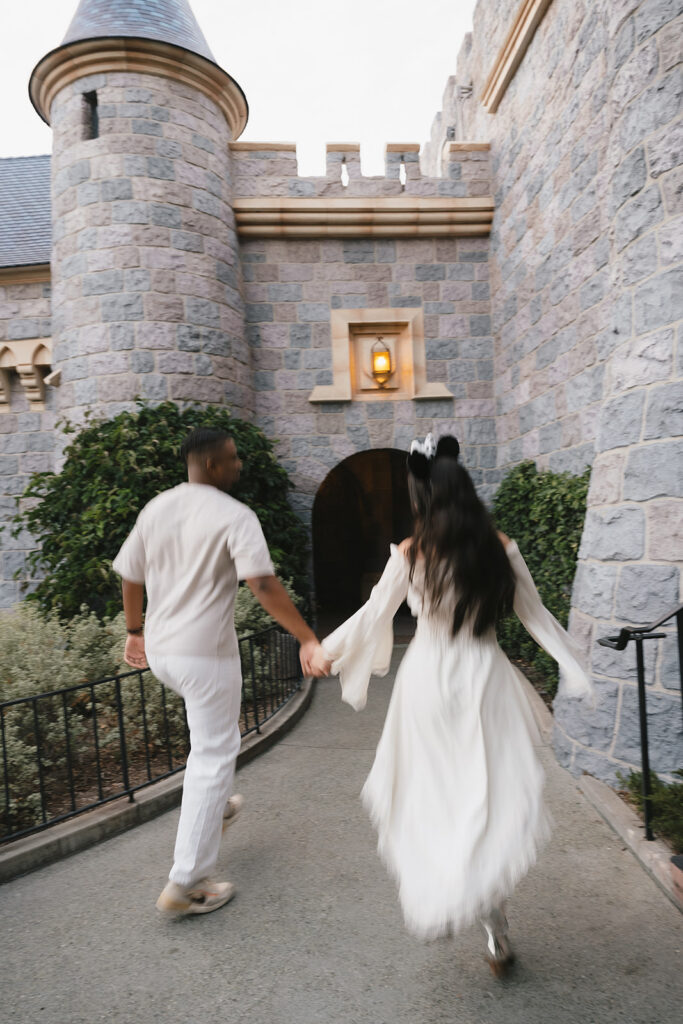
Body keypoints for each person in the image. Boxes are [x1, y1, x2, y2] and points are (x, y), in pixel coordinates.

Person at [312, 433, 594, 974]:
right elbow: (534, 616)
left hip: (428, 683)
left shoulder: (411, 552)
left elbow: (374, 615)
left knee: (432, 798)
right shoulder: (498, 545)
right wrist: (571, 664)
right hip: (484, 679)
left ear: (423, 496)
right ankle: (496, 930)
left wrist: (328, 651)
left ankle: (447, 895)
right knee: (484, 800)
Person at [113, 426, 326, 917]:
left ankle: (213, 809)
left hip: (165, 654)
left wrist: (134, 631)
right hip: (205, 656)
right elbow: (262, 583)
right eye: (232, 459)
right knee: (212, 755)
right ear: (211, 465)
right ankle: (186, 884)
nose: (238, 465)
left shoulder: (156, 507)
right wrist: (307, 637)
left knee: (210, 749)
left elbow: (131, 574)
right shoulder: (236, 515)